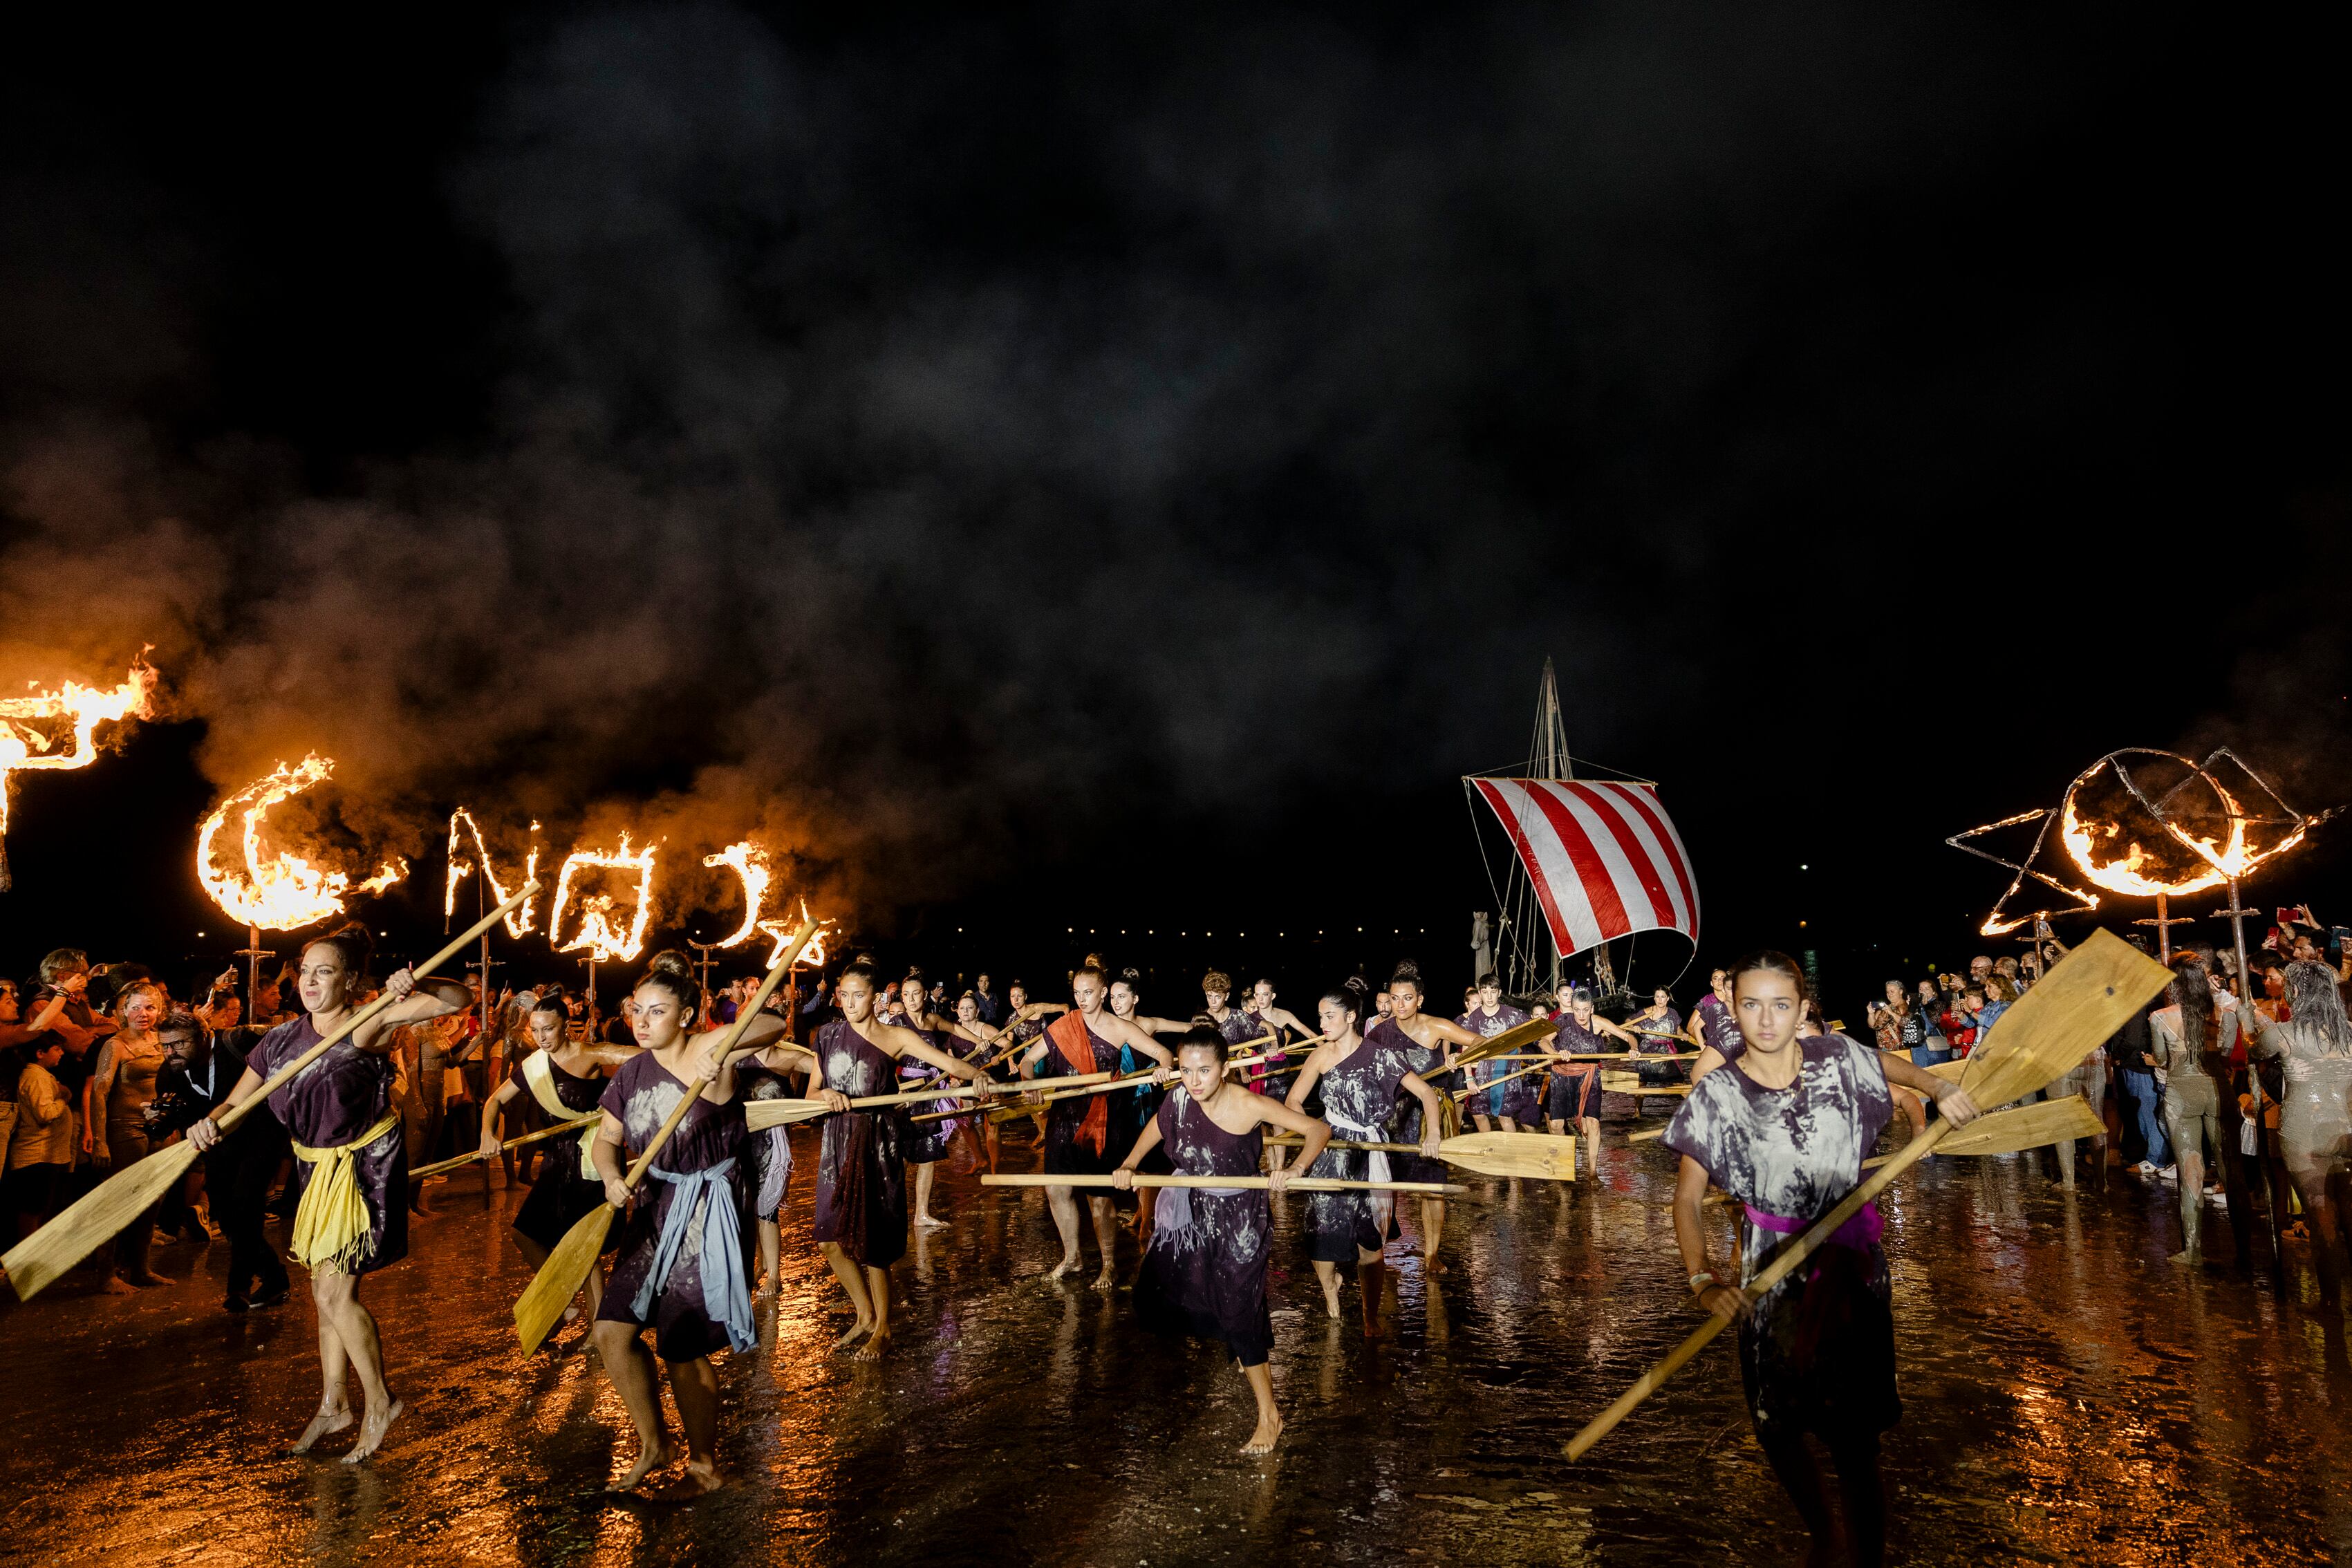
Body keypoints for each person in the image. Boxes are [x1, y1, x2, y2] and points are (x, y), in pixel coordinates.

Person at [1666, 951, 1979, 1568]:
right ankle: (1822, 1531)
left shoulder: (1838, 1059)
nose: (1765, 1020)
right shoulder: (1719, 1094)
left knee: (1856, 1441)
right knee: (1775, 1425)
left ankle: (1866, 1556)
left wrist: (1942, 1086)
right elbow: (1686, 1196)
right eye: (1750, 1005)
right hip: (1770, 1272)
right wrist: (1703, 1279)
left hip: (1851, 1271)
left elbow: (1891, 1066)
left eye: (1780, 1005)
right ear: (1732, 1010)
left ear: (1803, 1010)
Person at [188, 924, 469, 1462]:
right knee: (323, 1296)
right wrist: (209, 1124)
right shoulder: (277, 1041)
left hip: (364, 1166)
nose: (313, 982)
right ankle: (333, 1405)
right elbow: (233, 1104)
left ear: (350, 980)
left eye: (327, 972)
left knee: (337, 1295)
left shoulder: (368, 1023)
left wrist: (417, 979)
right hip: (314, 1170)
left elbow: (458, 999)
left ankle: (380, 1403)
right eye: (306, 972)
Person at [586, 952, 781, 1497]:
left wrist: (721, 1046)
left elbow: (772, 1023)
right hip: (650, 1209)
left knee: (681, 1346)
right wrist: (609, 1178)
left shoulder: (706, 1048)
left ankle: (705, 1468)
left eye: (657, 1011)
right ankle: (655, 1444)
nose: (642, 1022)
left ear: (688, 1015)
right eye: (636, 1011)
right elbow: (606, 1141)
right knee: (611, 1332)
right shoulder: (630, 1073)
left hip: (705, 1213)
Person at [1115, 1024, 1331, 1454]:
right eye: (1186, 1071)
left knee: (1239, 1307)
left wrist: (1294, 1170)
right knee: (1158, 1292)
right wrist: (1130, 1162)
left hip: (1240, 1222)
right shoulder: (1177, 1098)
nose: (1194, 1081)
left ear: (1225, 1069)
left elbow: (1317, 1131)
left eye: (1204, 1072)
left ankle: (1270, 1415)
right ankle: (1236, 1345)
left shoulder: (1248, 1103)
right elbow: (1157, 1129)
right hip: (1191, 1215)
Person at [805, 960, 990, 1359]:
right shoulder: (827, 1036)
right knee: (828, 1239)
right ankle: (864, 1313)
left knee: (874, 1238)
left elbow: (951, 1065)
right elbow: (809, 1094)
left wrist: (977, 1077)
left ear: (875, 998)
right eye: (845, 995)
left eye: (859, 996)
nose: (851, 1003)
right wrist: (825, 1098)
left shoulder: (895, 1037)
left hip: (877, 1142)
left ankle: (883, 1327)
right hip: (836, 1142)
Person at [478, 993, 639, 1347]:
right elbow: (495, 1101)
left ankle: (599, 1328)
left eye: (548, 1029)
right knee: (525, 1234)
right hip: (556, 1162)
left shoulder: (590, 1054)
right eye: (536, 1030)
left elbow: (645, 1057)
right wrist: (487, 1132)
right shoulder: (534, 1065)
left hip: (591, 1157)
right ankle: (564, 1300)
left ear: (566, 1025)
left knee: (584, 1245)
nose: (542, 1037)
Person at [1286, 978, 1444, 1334]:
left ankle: (1370, 1317)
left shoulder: (1380, 1056)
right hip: (1329, 1154)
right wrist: (1313, 1131)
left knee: (1370, 1243)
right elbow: (1293, 1101)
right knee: (1321, 1235)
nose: (1322, 1024)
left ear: (1351, 1017)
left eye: (1329, 1017)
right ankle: (1331, 1289)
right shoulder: (1321, 1054)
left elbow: (1427, 1094)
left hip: (1371, 1154)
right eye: (1320, 1017)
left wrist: (1432, 1135)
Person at [1014, 965, 1178, 1287]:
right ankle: (1072, 1257)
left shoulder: (1120, 1028)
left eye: (1087, 992)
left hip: (1104, 1124)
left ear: (1103, 993)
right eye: (1076, 993)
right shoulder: (1065, 1025)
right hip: (1064, 1122)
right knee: (1056, 1190)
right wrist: (1028, 1083)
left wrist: (1162, 1069)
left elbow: (1163, 1053)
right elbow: (1028, 1061)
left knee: (1100, 1198)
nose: (1081, 999)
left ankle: (1108, 1265)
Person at [156, 1009, 286, 1312]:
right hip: (219, 1147)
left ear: (203, 1036)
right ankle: (274, 1277)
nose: (169, 1053)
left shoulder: (238, 1043)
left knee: (246, 1205)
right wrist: (158, 1117)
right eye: (163, 1046)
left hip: (262, 1137)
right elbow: (178, 1119)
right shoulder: (171, 1071)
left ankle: (238, 1287)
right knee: (227, 1216)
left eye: (177, 1044)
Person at [1355, 964, 1480, 1276]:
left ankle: (1432, 1254)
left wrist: (1459, 1057)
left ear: (1420, 1000)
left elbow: (1479, 1041)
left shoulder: (1436, 1026)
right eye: (1395, 998)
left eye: (1407, 998)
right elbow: (1366, 1068)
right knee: (1388, 1184)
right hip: (1395, 1117)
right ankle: (1378, 1251)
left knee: (1432, 1188)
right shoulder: (1380, 1032)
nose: (1400, 1005)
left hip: (1429, 1116)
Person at [2248, 959, 2352, 1298]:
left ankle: (2331, 1303)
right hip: (2347, 1127)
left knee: (2322, 1217)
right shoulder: (2350, 1031)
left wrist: (2252, 1023)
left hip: (2304, 1131)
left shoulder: (2283, 1033)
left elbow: (2256, 1051)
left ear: (2294, 993)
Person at [2150, 954, 2248, 1266]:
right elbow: (2227, 1052)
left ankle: (2192, 1250)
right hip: (2218, 1090)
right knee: (2231, 1169)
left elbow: (2161, 1058)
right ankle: (2244, 1251)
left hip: (2182, 1092)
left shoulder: (2160, 1017)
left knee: (2189, 1170)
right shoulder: (2225, 1013)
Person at [893, 973, 1003, 1231]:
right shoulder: (896, 1023)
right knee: (902, 1157)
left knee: (928, 1154)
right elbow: (886, 1058)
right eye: (906, 994)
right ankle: (892, 1211)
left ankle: (922, 1213)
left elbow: (954, 1028)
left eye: (916, 993)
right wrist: (894, 1088)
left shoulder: (932, 1020)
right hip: (907, 1095)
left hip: (931, 1093)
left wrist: (980, 1041)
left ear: (925, 994)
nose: (911, 999)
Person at [84, 980, 174, 1289]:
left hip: (158, 1126)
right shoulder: (115, 1045)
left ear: (159, 1010)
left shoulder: (161, 1041)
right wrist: (99, 1139)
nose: (143, 1014)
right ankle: (105, 1274)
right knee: (118, 1200)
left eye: (149, 1007)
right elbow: (99, 1092)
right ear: (123, 1011)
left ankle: (141, 1269)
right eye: (135, 1007)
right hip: (125, 1127)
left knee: (153, 1201)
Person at [1547, 985, 1637, 1180]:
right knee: (1556, 1125)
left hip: (1590, 1076)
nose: (1581, 1015)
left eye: (1585, 1010)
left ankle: (1593, 1172)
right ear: (1572, 1007)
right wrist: (1555, 1053)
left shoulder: (1598, 1022)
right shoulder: (1561, 1021)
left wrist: (1633, 1048)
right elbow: (1543, 1041)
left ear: (1592, 1009)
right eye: (1577, 1010)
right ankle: (1564, 1165)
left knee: (1594, 1124)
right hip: (1562, 1076)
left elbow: (1628, 1036)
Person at [8, 1034, 74, 1240]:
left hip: (46, 1156)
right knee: (31, 1211)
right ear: (40, 1053)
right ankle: (27, 1262)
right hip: (36, 1156)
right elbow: (45, 1114)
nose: (62, 1053)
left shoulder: (42, 1075)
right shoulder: (35, 1077)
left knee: (39, 1209)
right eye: (57, 1049)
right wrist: (63, 1098)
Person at [1459, 974, 1534, 1133]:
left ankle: (1511, 1154)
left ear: (1499, 993)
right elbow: (1466, 1049)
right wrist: (1469, 1078)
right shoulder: (1474, 1018)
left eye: (1493, 992)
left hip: (1506, 1071)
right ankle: (1490, 1149)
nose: (1489, 996)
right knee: (1478, 1113)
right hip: (1483, 1072)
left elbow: (1536, 1031)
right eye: (1485, 992)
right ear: (1480, 993)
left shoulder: (1512, 1014)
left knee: (1504, 1116)